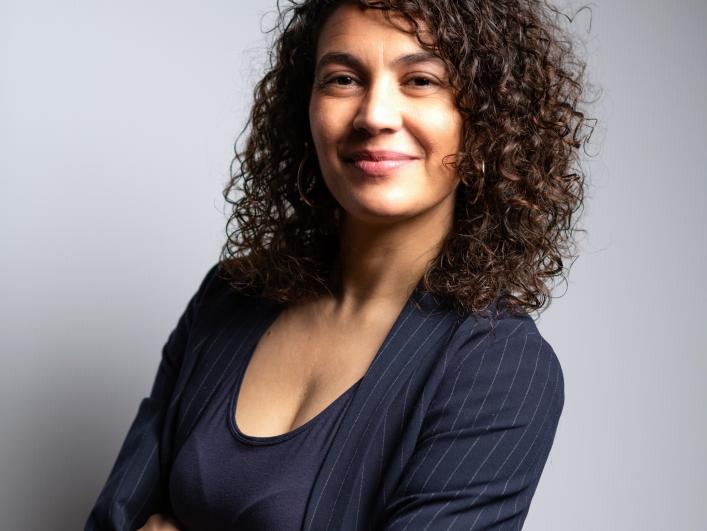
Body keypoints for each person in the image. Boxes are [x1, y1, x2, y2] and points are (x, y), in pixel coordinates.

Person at [86, 0, 592, 529]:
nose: (374, 115)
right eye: (343, 79)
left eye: (420, 80)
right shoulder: (231, 295)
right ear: (304, 106)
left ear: (488, 117)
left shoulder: (502, 369)